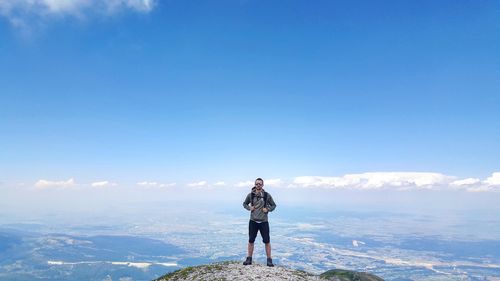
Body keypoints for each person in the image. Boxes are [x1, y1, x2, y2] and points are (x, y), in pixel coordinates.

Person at [242, 177, 277, 267]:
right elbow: (244, 204)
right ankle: (249, 259)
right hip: (253, 221)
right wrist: (249, 208)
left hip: (264, 222)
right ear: (255, 184)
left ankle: (269, 260)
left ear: (263, 185)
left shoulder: (266, 195)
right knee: (251, 240)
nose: (258, 185)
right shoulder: (250, 195)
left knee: (267, 241)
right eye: (257, 184)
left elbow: (273, 205)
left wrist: (268, 209)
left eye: (260, 184)